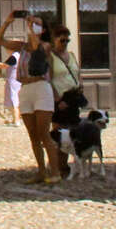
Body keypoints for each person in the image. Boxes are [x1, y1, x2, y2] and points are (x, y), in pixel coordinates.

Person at [3, 9, 59, 184]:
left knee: (44, 133)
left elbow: (36, 46)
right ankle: (41, 171)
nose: (33, 26)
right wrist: (8, 22)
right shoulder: (22, 47)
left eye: (37, 24)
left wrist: (30, 28)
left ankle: (55, 172)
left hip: (41, 88)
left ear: (43, 29)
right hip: (25, 88)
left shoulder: (46, 45)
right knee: (33, 135)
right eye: (32, 23)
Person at [42, 24, 82, 180]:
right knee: (59, 135)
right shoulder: (51, 57)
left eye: (67, 40)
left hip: (73, 98)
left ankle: (64, 166)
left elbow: (77, 73)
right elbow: (48, 78)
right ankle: (57, 166)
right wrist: (57, 99)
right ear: (55, 40)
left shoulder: (71, 55)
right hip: (59, 99)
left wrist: (80, 85)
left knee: (71, 134)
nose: (65, 43)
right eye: (62, 40)